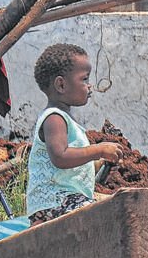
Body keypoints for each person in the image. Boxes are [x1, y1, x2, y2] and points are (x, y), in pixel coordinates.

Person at [26, 43, 123, 226]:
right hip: (56, 202)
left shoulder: (67, 121)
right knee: (111, 215)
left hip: (65, 200)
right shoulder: (54, 118)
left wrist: (99, 163)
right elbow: (60, 157)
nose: (90, 86)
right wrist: (98, 150)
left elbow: (70, 168)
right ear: (61, 84)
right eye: (84, 79)